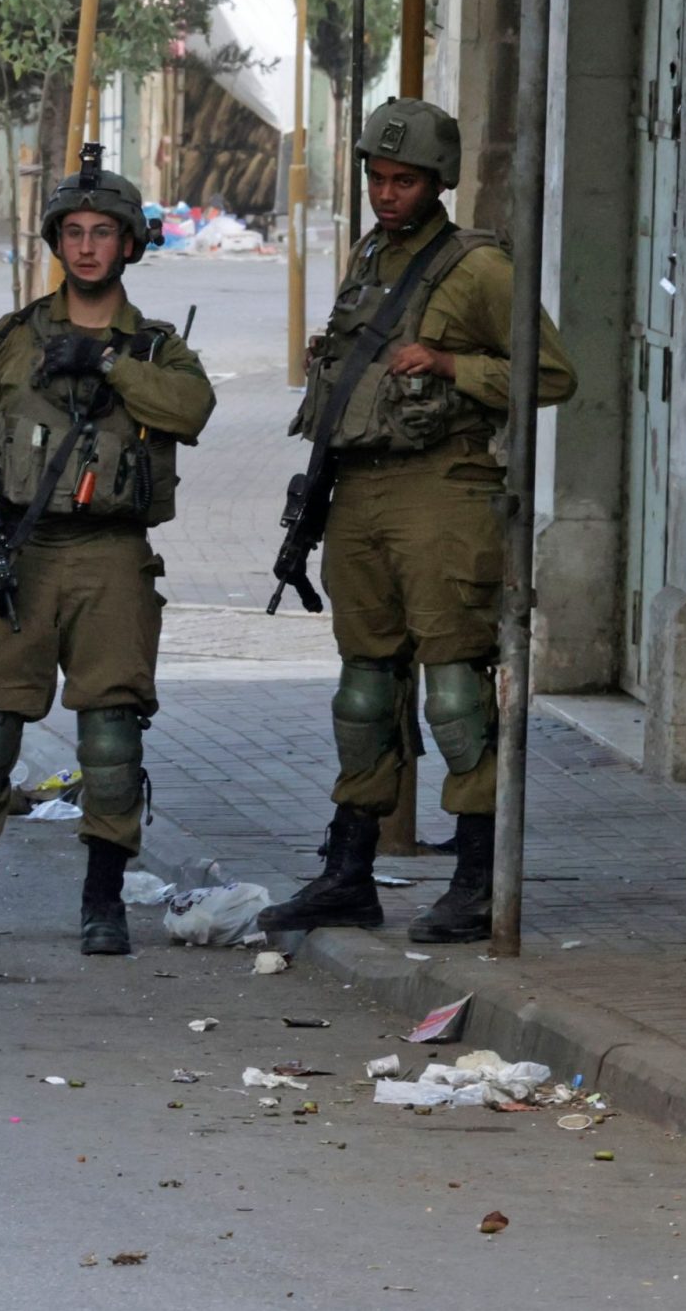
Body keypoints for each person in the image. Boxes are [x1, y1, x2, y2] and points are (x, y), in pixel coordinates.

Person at [0, 148, 215, 957]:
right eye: (74, 232)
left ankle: (104, 903)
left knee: (110, 735)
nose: (88, 246)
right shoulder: (15, 339)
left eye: (104, 232)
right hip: (20, 551)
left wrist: (106, 363)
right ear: (56, 242)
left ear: (129, 244)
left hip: (111, 558)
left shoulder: (156, 347)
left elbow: (191, 408)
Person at [256, 98, 578, 946]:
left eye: (404, 181)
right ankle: (348, 874)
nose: (386, 193)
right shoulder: (369, 255)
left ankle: (476, 882)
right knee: (365, 691)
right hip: (361, 493)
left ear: (438, 183)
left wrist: (450, 362)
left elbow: (549, 373)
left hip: (445, 493)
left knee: (457, 694)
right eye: (376, 177)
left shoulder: (477, 268)